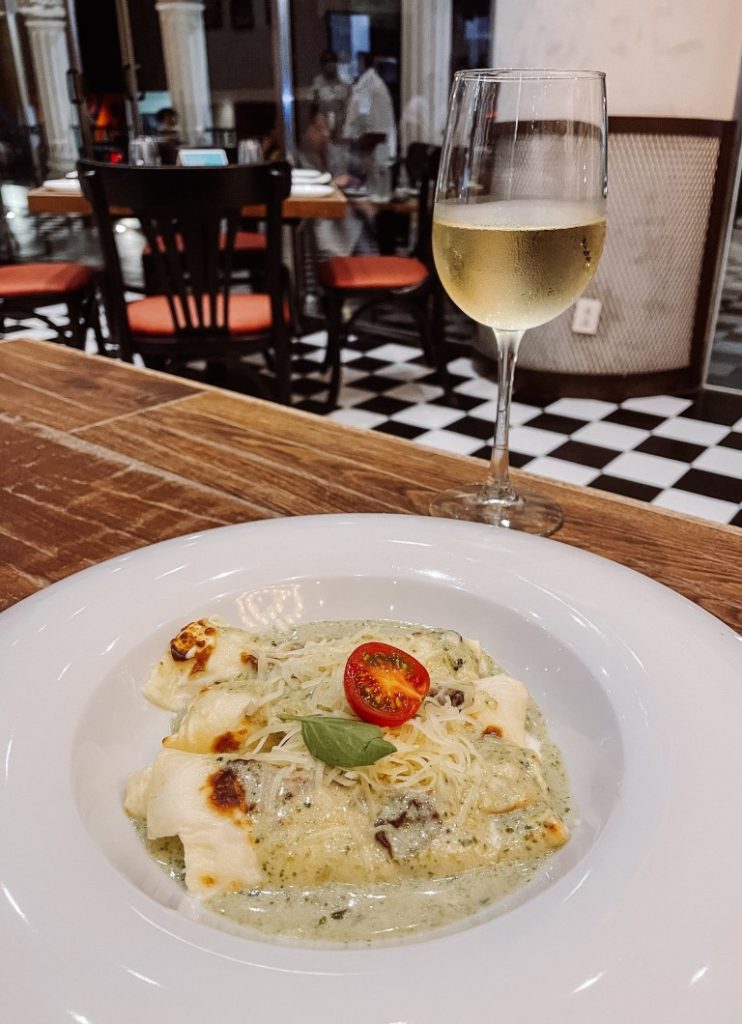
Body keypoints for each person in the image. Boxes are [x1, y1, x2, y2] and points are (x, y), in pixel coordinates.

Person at [311, 49, 351, 142]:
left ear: (336, 64)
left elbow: (349, 109)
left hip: (341, 130)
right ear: (322, 65)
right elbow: (313, 107)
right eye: (327, 62)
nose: (329, 66)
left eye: (332, 62)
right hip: (322, 130)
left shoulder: (344, 83)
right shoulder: (317, 83)